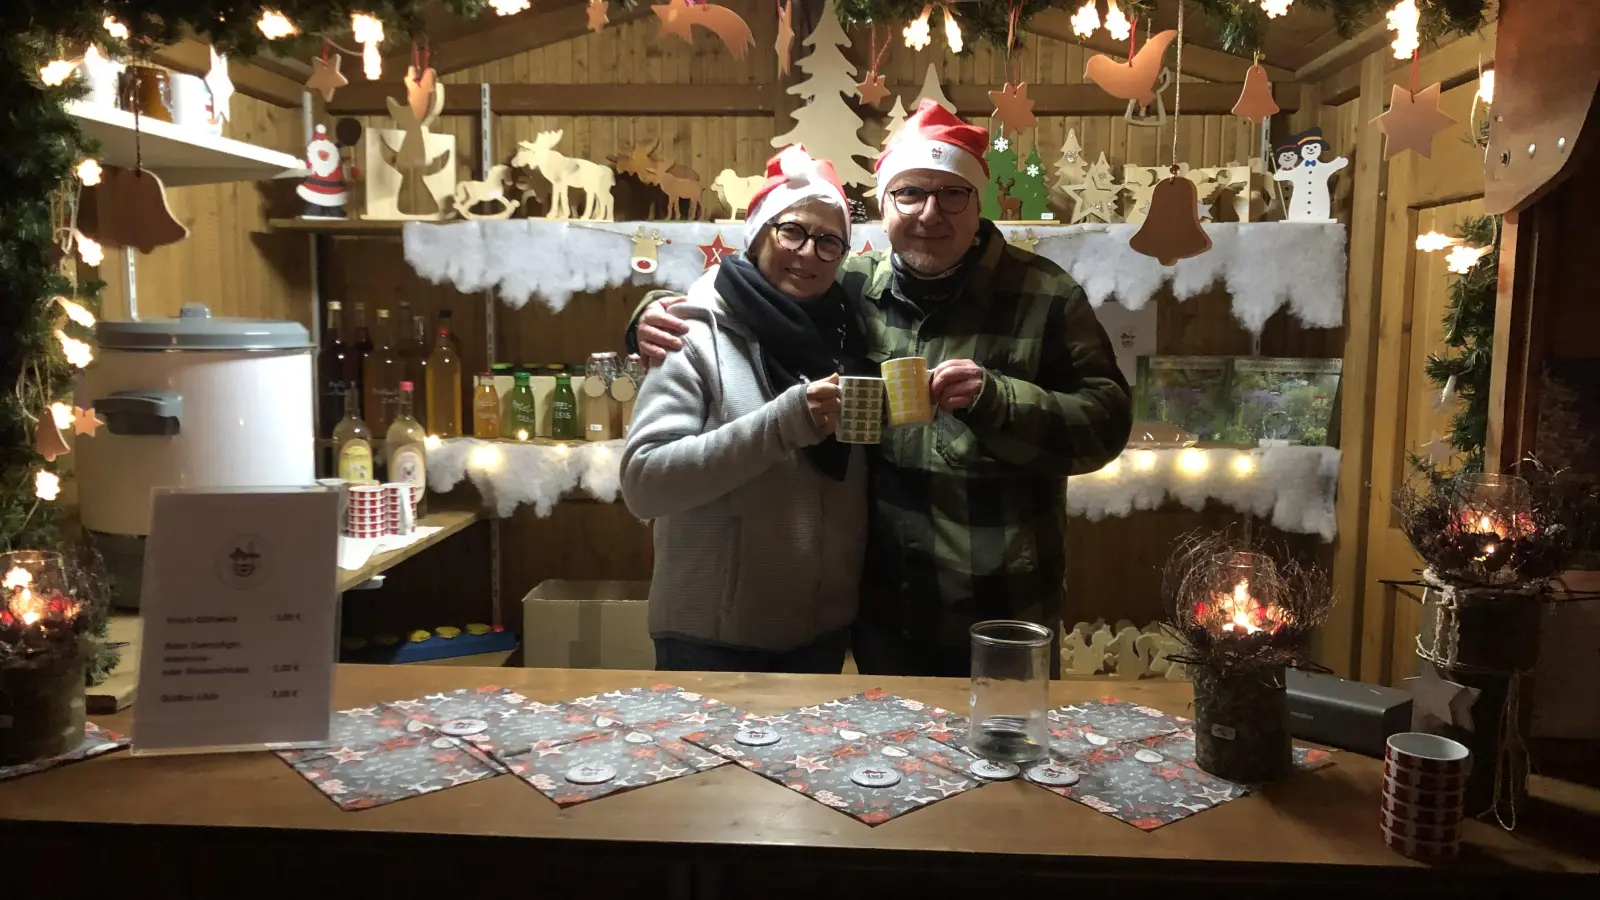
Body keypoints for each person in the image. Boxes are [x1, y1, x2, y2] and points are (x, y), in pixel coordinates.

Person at [631, 100, 1133, 677]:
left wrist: (1001, 401)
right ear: (886, 205)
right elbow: (753, 290)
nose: (929, 214)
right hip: (885, 614)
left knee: (1004, 761)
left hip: (1001, 609)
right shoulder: (851, 288)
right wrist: (652, 312)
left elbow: (1108, 423)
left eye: (952, 195)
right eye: (910, 194)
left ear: (978, 205)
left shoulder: (1046, 295)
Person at [620, 144, 869, 674]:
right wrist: (785, 423)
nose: (808, 253)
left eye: (829, 242)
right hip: (712, 638)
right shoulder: (692, 331)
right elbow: (644, 482)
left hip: (821, 636)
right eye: (793, 231)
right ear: (758, 235)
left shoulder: (849, 332)